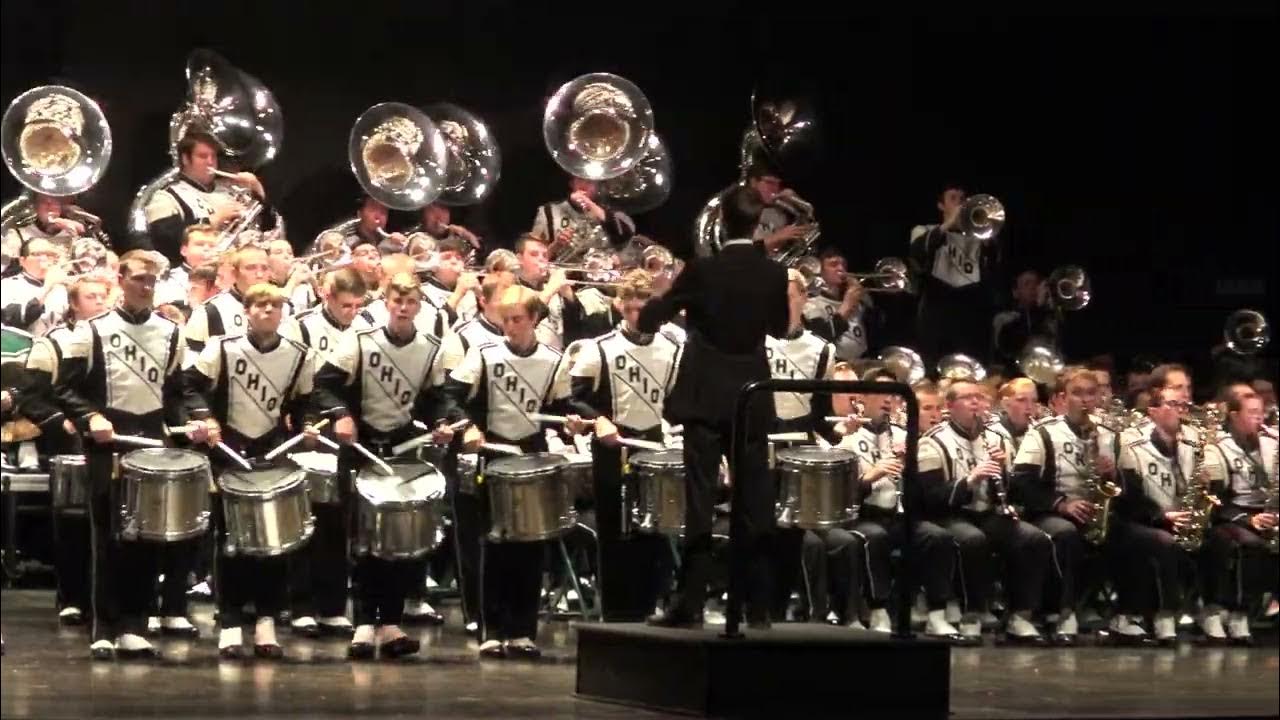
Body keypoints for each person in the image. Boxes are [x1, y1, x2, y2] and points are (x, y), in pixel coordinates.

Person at [637, 184, 788, 629]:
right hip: (752, 396)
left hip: (705, 397)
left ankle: (691, 604)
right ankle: (756, 606)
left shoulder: (702, 269)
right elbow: (779, 326)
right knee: (754, 502)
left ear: (721, 223)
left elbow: (650, 320)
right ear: (758, 224)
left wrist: (670, 298)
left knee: (700, 503)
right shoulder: (773, 273)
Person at [50, 250, 194, 660]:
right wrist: (90, 416)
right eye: (138, 280)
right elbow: (65, 390)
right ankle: (104, 627)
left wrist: (189, 424)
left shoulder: (170, 332)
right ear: (120, 278)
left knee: (145, 538)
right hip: (106, 442)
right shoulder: (90, 330)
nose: (146, 288)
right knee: (107, 536)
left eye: (152, 281)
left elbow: (174, 396)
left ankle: (135, 623)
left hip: (149, 441)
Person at [313, 274, 454, 660]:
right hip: (361, 447)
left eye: (411, 301)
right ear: (386, 303)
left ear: (419, 305)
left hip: (402, 447)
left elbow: (434, 397)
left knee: (398, 541)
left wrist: (441, 424)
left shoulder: (430, 347)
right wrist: (341, 415)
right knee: (362, 540)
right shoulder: (360, 340)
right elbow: (324, 383)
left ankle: (390, 624)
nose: (404, 307)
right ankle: (361, 623)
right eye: (398, 300)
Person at [440, 285, 579, 658]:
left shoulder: (553, 359)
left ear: (534, 319)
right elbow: (450, 396)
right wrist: (466, 425)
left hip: (531, 453)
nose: (510, 327)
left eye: (518, 320)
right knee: (493, 543)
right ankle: (491, 628)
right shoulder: (484, 354)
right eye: (506, 320)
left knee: (530, 546)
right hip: (493, 451)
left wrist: (575, 422)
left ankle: (522, 631)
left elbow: (563, 405)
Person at [183, 283, 316, 659]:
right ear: (247, 310)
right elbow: (188, 386)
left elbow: (307, 401)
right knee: (232, 541)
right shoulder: (223, 347)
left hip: (272, 449)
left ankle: (266, 621)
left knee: (272, 543)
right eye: (260, 305)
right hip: (229, 449)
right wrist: (205, 418)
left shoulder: (298, 354)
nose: (268, 312)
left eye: (275, 306)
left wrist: (308, 424)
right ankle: (229, 622)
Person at [568, 269, 683, 621]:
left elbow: (676, 401)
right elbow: (574, 399)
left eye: (643, 308)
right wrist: (597, 418)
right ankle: (616, 613)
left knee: (653, 530)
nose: (636, 315)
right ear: (619, 306)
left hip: (652, 445)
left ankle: (651, 606)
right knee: (615, 532)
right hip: (612, 447)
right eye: (630, 308)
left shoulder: (673, 348)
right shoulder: (598, 347)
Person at [918, 379, 1052, 645]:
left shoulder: (996, 438)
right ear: (949, 406)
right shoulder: (933, 442)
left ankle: (1020, 615)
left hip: (987, 513)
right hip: (950, 515)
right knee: (972, 540)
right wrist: (970, 480)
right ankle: (972, 615)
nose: (975, 403)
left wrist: (1002, 473)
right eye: (967, 398)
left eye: (978, 397)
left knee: (1033, 538)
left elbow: (1012, 488)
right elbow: (930, 497)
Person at [278, 268, 371, 637]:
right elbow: (290, 378)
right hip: (309, 423)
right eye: (344, 304)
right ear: (325, 295)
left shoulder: (366, 328)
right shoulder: (299, 327)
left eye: (357, 305)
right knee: (306, 517)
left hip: (348, 422)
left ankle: (333, 605)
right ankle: (299, 604)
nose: (350, 312)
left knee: (339, 519)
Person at [832, 367, 959, 636]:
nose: (888, 399)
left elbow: (922, 489)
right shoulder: (846, 436)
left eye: (892, 393)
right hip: (862, 515)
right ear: (862, 398)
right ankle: (878, 610)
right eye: (880, 393)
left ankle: (936, 613)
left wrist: (910, 466)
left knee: (937, 537)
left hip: (898, 514)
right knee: (874, 537)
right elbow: (839, 493)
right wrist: (871, 476)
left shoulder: (904, 434)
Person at [18, 277, 110, 627]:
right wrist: (63, 423)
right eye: (91, 296)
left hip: (107, 437)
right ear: (74, 304)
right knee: (74, 524)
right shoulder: (52, 343)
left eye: (104, 294)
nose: (100, 301)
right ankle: (71, 597)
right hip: (70, 440)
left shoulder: (113, 340)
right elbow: (31, 396)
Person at [1010, 367, 1118, 644]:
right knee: (1065, 534)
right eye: (1077, 393)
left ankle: (1127, 614)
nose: (1085, 400)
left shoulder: (1109, 435)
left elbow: (1128, 487)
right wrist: (1061, 504)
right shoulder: (1043, 433)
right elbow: (1021, 484)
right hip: (1048, 512)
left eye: (1091, 394)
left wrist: (1112, 474)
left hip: (1096, 510)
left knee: (1131, 534)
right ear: (1062, 398)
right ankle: (1063, 610)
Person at [1112, 385, 1208, 646]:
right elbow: (1128, 496)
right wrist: (1162, 516)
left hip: (1183, 517)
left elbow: (1202, 484)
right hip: (1140, 520)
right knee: (1163, 543)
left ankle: (1218, 611)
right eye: (1171, 404)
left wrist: (1205, 490)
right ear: (1153, 411)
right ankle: (1164, 614)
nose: (1179, 411)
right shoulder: (1132, 442)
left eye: (1182, 405)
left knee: (1219, 537)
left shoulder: (1195, 441)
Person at [1201, 393, 1278, 644]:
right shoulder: (1217, 447)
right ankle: (1238, 612)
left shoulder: (1271, 445)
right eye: (1251, 412)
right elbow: (1216, 499)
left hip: (1267, 512)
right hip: (1230, 515)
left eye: (1261, 412)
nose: (1259, 417)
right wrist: (1248, 520)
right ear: (1234, 416)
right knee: (1249, 543)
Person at [143, 130, 268, 263]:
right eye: (203, 156)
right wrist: (213, 220)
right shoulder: (167, 196)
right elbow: (164, 239)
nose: (211, 162)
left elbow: (267, 228)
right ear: (185, 159)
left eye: (213, 156)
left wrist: (257, 188)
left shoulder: (231, 190)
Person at [910, 184, 1000, 363]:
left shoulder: (979, 239)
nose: (960, 203)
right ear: (941, 205)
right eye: (953, 198)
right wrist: (950, 223)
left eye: (963, 198)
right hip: (936, 313)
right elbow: (918, 252)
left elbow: (994, 264)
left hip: (970, 315)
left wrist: (986, 235)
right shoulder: (924, 229)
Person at [183, 245, 274, 359]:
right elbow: (190, 362)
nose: (259, 275)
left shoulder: (286, 310)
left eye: (265, 268)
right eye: (251, 268)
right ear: (234, 273)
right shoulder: (209, 312)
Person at [802, 247, 877, 362]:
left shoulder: (853, 298)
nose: (841, 268)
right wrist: (846, 306)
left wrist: (865, 298)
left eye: (843, 265)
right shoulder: (811, 303)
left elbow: (878, 324)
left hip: (861, 361)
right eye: (834, 265)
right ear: (820, 271)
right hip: (834, 363)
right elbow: (820, 338)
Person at [531, 176, 635, 259]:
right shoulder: (548, 211)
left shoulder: (612, 213)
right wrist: (556, 245)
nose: (584, 184)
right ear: (571, 183)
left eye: (590, 181)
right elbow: (533, 257)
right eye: (580, 178)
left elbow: (626, 237)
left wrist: (589, 204)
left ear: (598, 186)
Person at [1, 238, 71, 335]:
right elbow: (15, 318)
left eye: (49, 254)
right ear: (22, 261)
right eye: (37, 254)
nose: (44, 258)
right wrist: (48, 287)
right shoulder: (7, 285)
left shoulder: (61, 287)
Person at [992, 269, 1057, 367]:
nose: (1034, 288)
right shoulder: (1004, 318)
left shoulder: (1050, 315)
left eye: (1037, 283)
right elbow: (1010, 347)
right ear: (1015, 292)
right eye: (1027, 284)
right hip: (1017, 376)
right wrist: (1038, 309)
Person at [154, 224, 219, 311]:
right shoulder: (169, 280)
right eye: (200, 244)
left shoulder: (225, 278)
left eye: (212, 246)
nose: (207, 249)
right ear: (184, 250)